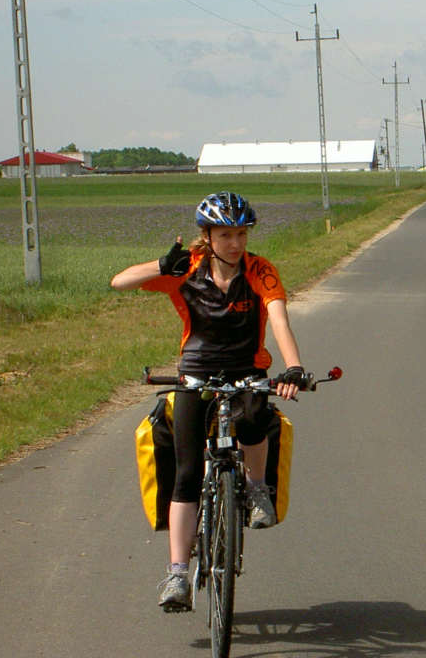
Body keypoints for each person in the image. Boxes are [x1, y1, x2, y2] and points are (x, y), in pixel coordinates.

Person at [111, 191, 306, 612]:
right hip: (194, 372)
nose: (235, 243)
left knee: (256, 415)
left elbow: (279, 317)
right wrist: (160, 267)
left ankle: (255, 490)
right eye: (225, 234)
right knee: (184, 474)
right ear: (208, 235)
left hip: (247, 369)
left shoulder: (259, 270)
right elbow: (119, 281)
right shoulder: (188, 269)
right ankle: (177, 573)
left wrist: (292, 367)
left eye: (241, 233)